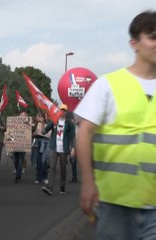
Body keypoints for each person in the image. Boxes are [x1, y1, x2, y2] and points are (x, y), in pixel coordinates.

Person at [75, 11, 156, 239]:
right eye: (153, 37)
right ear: (135, 43)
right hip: (114, 202)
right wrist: (88, 182)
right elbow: (84, 133)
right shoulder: (108, 85)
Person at [41, 103, 75, 195]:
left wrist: (73, 148)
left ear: (66, 112)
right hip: (54, 148)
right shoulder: (54, 121)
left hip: (64, 149)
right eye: (61, 110)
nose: (62, 112)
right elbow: (44, 131)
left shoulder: (69, 124)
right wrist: (42, 124)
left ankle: (62, 185)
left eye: (64, 110)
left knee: (63, 168)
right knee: (52, 167)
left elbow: (72, 137)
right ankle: (50, 187)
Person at [32, 113, 51, 184]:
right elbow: (33, 133)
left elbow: (47, 134)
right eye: (40, 117)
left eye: (46, 116)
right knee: (38, 161)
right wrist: (35, 133)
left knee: (44, 161)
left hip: (46, 144)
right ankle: (38, 178)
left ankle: (45, 177)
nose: (40, 118)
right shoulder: (37, 124)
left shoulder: (49, 124)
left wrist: (43, 123)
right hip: (38, 143)